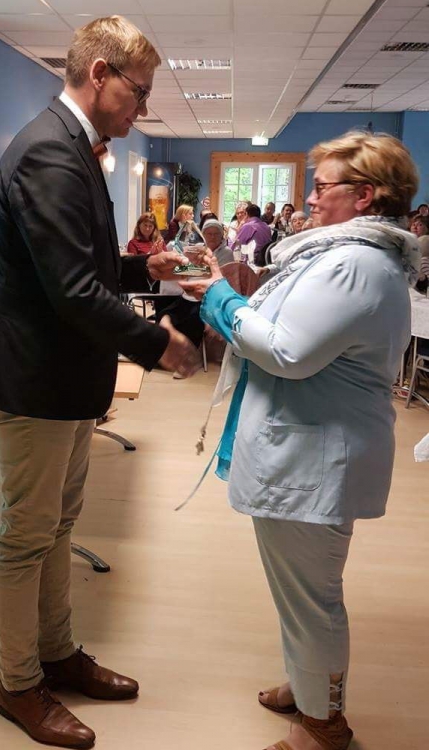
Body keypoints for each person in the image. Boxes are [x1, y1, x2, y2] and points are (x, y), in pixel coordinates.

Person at [0, 16, 199, 749]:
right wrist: (159, 343)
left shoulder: (74, 146)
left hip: (65, 375)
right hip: (34, 377)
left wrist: (138, 267)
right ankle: (18, 685)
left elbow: (75, 264)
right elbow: (70, 291)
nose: (141, 108)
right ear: (99, 74)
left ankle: (58, 653)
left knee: (58, 527)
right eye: (139, 92)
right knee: (27, 536)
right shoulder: (48, 151)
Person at [181, 130, 420, 750]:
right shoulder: (343, 255)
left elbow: (285, 351)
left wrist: (219, 298)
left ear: (365, 195)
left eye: (321, 186)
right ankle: (309, 681)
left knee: (313, 598)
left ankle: (324, 724)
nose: (309, 198)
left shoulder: (355, 264)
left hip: (315, 456)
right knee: (298, 590)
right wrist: (225, 293)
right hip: (308, 444)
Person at [156, 219, 234, 368]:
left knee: (193, 318)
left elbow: (219, 274)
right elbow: (182, 270)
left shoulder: (226, 252)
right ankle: (166, 351)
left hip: (209, 298)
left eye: (216, 234)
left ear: (221, 236)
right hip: (188, 296)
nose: (212, 237)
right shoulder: (196, 249)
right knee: (165, 312)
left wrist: (192, 270)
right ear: (203, 235)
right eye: (208, 233)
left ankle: (187, 358)